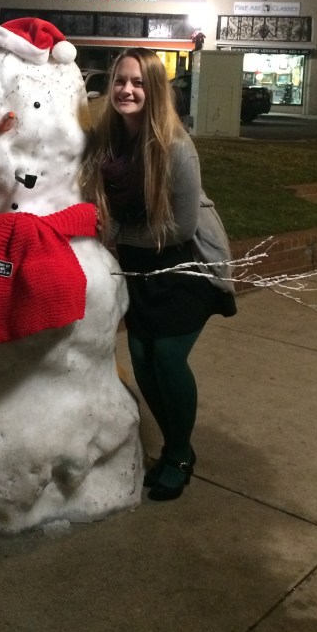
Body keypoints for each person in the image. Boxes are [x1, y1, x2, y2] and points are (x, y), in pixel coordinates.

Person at [82, 48, 236, 501]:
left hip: (184, 264)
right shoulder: (109, 141)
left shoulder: (176, 147)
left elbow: (180, 227)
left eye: (138, 83)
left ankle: (181, 452)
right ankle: (172, 442)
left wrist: (116, 234)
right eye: (120, 81)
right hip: (139, 266)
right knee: (141, 357)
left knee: (167, 357)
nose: (127, 90)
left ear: (154, 90)